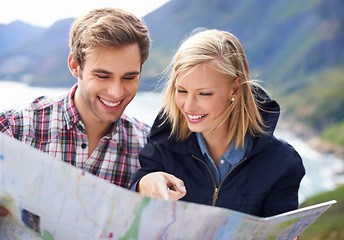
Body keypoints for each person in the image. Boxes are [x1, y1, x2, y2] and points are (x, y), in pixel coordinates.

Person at [131, 29, 306, 218]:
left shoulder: (282, 163)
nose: (188, 106)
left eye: (204, 93)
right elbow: (134, 213)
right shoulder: (162, 143)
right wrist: (143, 185)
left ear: (235, 90)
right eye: (181, 91)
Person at [0, 8, 151, 217]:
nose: (116, 92)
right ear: (75, 65)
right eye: (102, 76)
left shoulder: (149, 148)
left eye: (129, 77)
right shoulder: (13, 129)